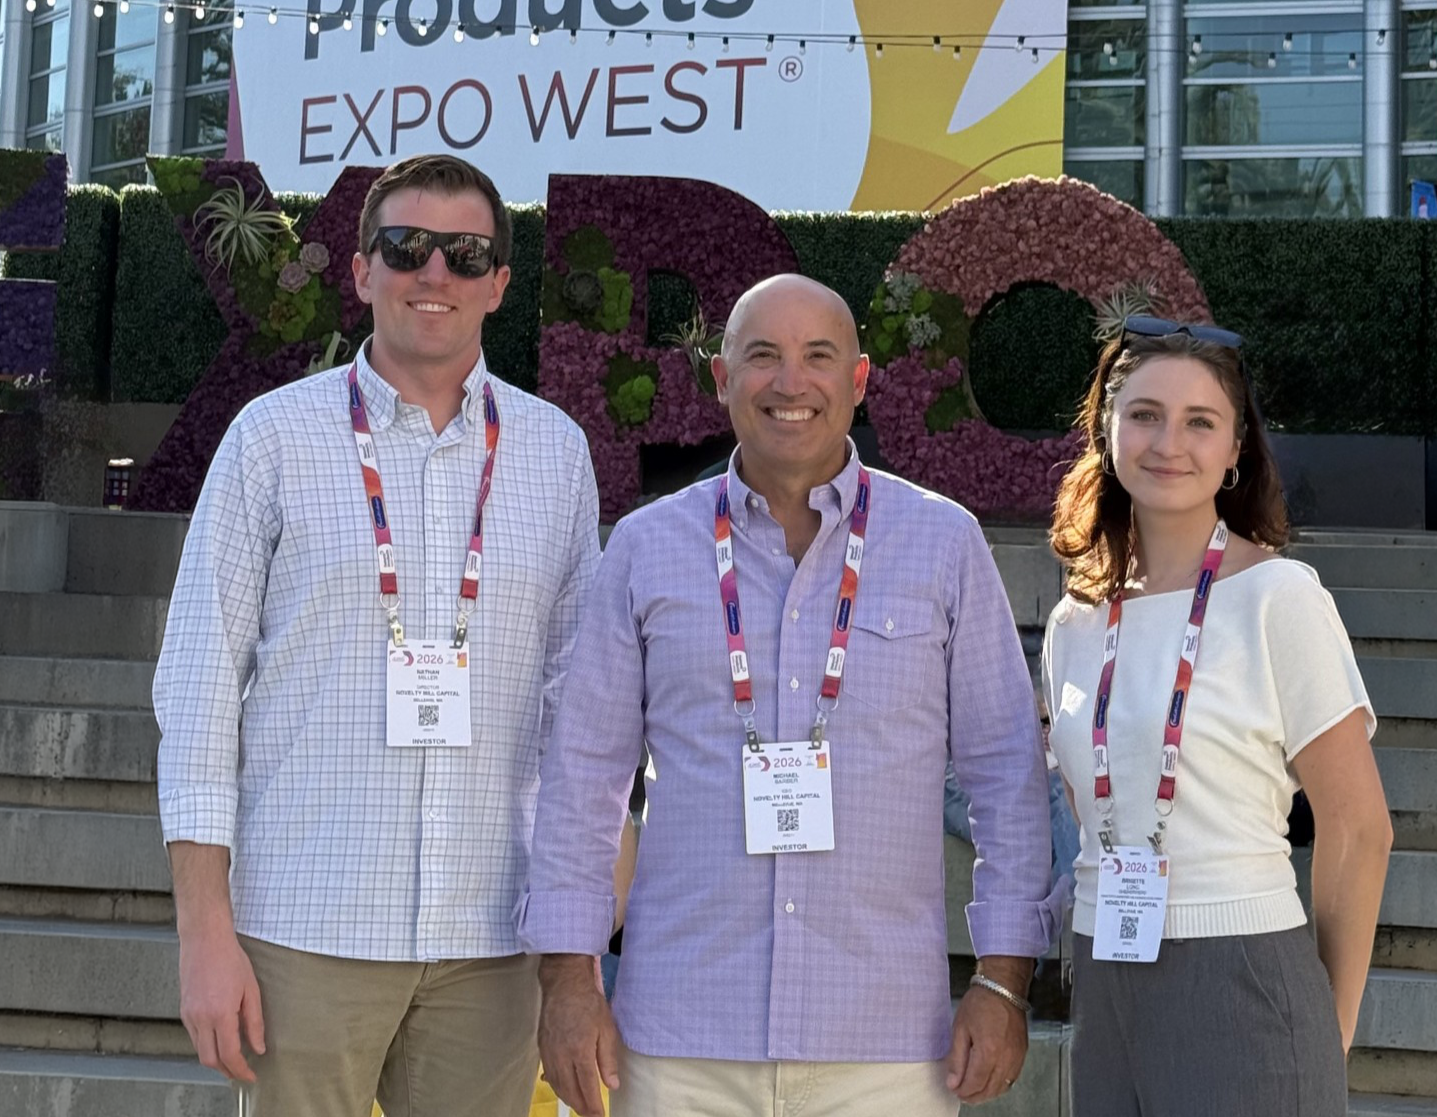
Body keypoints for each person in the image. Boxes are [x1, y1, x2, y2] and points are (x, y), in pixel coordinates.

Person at [524, 273, 1057, 1117]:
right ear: (721, 379)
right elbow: (582, 779)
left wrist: (1002, 981)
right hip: (679, 1043)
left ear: (859, 381)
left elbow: (1005, 777)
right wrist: (569, 979)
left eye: (818, 356)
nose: (789, 382)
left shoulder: (944, 544)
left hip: (885, 1050)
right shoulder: (645, 547)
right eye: (762, 356)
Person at [153, 153, 602, 1116]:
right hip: (304, 926)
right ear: (361, 272)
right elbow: (196, 681)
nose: (433, 273)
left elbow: (584, 716)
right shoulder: (270, 438)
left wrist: (577, 950)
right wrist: (203, 932)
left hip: (490, 938)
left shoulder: (557, 455)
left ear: (498, 284)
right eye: (405, 247)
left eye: (464, 252)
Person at [1043, 316, 1392, 1117]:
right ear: (1106, 428)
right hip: (1105, 970)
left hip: (1243, 977)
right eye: (1144, 414)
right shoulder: (1075, 624)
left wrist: (1325, 1033)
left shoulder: (1280, 598)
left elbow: (1361, 827)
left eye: (1201, 422)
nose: (1170, 441)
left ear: (1237, 450)